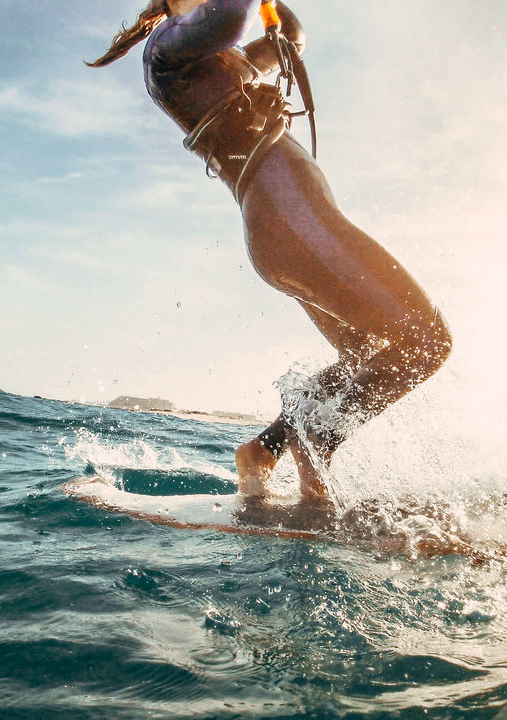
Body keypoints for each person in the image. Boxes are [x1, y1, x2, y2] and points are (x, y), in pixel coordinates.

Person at [88, 0, 451, 502]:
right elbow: (230, 16)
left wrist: (273, 6)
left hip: (292, 225)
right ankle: (314, 443)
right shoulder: (167, 54)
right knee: (427, 339)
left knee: (365, 354)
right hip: (290, 220)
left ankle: (265, 449)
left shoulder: (224, 57)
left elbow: (291, 41)